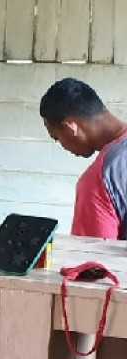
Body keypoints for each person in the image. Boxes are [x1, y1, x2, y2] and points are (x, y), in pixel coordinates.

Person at [41, 78, 127, 239]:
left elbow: (93, 260)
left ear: (70, 127)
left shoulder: (99, 179)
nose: (62, 146)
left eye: (57, 138)